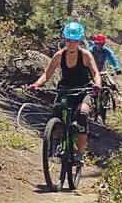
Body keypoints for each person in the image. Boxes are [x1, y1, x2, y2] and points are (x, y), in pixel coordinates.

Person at [29, 20, 101, 162]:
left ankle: (80, 154)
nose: (71, 43)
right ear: (65, 39)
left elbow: (95, 73)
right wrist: (37, 84)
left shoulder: (86, 55)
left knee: (82, 114)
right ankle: (56, 143)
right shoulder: (59, 55)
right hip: (65, 90)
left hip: (83, 90)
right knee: (57, 111)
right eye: (68, 40)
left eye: (74, 40)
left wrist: (97, 84)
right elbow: (47, 74)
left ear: (79, 40)